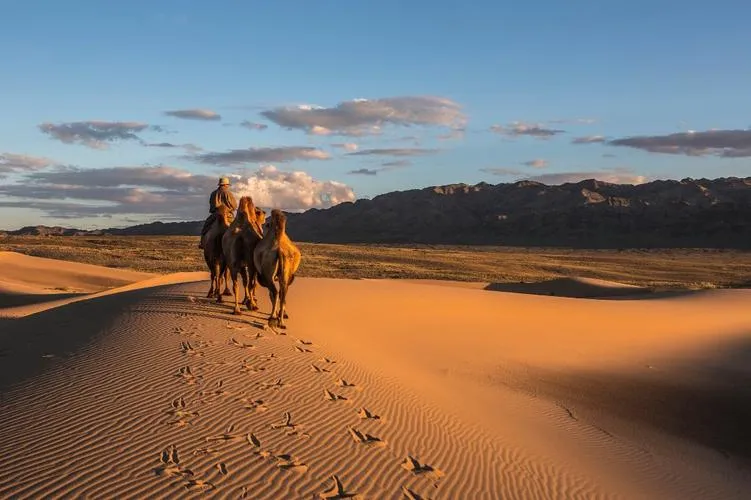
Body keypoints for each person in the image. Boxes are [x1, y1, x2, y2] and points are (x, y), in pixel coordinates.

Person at [198, 177, 237, 249]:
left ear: (220, 184)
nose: (228, 186)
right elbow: (234, 206)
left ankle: (202, 243)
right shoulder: (228, 193)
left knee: (205, 228)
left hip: (215, 215)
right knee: (237, 229)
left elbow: (211, 206)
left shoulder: (213, 193)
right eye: (227, 185)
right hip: (228, 216)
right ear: (226, 185)